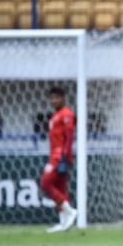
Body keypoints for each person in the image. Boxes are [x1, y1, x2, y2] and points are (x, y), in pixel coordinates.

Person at [40, 87, 77, 233]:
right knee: (60, 187)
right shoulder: (55, 115)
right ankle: (63, 223)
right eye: (52, 98)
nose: (54, 100)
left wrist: (64, 156)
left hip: (59, 156)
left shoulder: (66, 114)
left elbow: (69, 136)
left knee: (45, 183)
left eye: (57, 97)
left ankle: (71, 211)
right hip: (54, 154)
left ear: (63, 98)